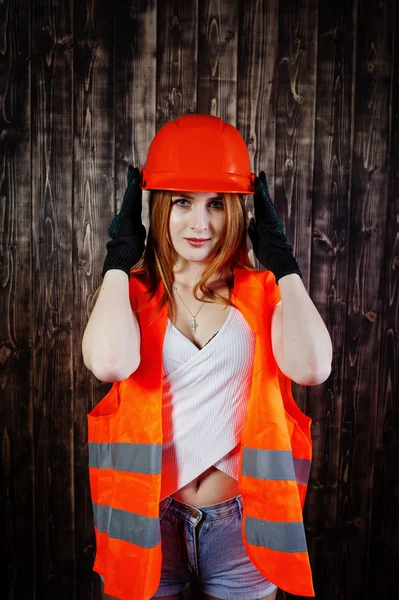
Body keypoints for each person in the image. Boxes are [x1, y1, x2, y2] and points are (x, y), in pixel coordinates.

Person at [82, 114, 332, 600]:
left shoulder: (263, 294)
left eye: (216, 203)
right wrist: (118, 261)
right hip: (146, 518)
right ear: (157, 209)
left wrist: (283, 265)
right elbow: (110, 363)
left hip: (243, 525)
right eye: (182, 203)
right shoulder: (130, 295)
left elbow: (313, 367)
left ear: (238, 209)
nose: (200, 224)